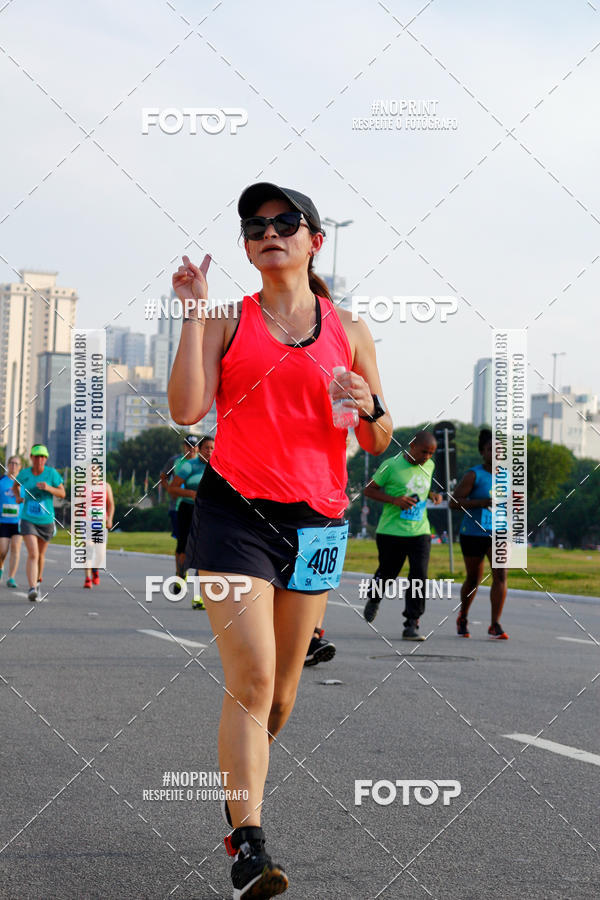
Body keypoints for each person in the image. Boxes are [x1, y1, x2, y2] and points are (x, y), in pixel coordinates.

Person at [168, 181, 392, 899]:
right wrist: (193, 315)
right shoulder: (228, 322)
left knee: (284, 695)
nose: (270, 231)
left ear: (314, 240)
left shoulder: (350, 331)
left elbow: (377, 436)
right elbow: (186, 410)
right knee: (254, 677)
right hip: (235, 518)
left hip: (319, 524)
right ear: (246, 247)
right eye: (256, 225)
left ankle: (241, 794)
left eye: (286, 222)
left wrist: (371, 405)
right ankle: (248, 843)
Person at [362, 432, 442, 640]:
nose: (427, 457)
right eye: (424, 451)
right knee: (388, 572)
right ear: (412, 445)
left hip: (420, 531)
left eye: (431, 453)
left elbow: (422, 488)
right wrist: (394, 500)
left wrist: (432, 495)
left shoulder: (430, 466)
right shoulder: (391, 464)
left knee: (419, 575)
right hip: (391, 531)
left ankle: (411, 623)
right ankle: (374, 597)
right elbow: (369, 491)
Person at [450, 428, 508, 640]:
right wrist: (480, 503)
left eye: (500, 450)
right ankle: (463, 616)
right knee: (474, 578)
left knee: (500, 575)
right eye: (491, 449)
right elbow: (453, 503)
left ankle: (495, 624)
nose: (496, 453)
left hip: (499, 532)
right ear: (482, 452)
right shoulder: (473, 475)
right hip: (473, 533)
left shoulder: (508, 476)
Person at [13, 445, 65, 602]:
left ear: (46, 459)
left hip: (46, 521)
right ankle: (32, 588)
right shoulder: (25, 474)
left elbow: (62, 493)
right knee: (33, 554)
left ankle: (37, 580)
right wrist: (18, 496)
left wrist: (49, 488)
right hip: (28, 519)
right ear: (31, 457)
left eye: (43, 456)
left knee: (41, 555)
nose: (40, 459)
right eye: (37, 456)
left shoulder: (52, 474)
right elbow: (15, 485)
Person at [168, 436, 214, 608]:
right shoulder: (189, 466)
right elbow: (173, 488)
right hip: (187, 510)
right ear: (199, 450)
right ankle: (181, 574)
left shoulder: (218, 467)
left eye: (212, 448)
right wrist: (191, 494)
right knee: (184, 549)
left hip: (208, 513)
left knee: (202, 554)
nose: (209, 452)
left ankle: (198, 597)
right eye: (206, 448)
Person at [160, 434, 201, 585]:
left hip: (198, 508)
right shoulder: (175, 461)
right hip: (177, 507)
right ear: (184, 447)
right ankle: (180, 572)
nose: (191, 449)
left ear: (198, 448)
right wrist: (170, 490)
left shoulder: (202, 463)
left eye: (194, 446)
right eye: (188, 446)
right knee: (182, 542)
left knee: (196, 542)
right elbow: (163, 477)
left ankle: (193, 572)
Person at [83, 481, 115, 588]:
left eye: (95, 469)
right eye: (90, 470)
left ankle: (95, 569)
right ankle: (87, 579)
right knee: (88, 549)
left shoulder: (106, 486)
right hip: (86, 524)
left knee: (101, 554)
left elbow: (111, 504)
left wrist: (110, 519)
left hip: (100, 524)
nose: (93, 472)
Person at [0, 456, 23, 588]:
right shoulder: (2, 481)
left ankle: (11, 578)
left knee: (16, 548)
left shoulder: (24, 483)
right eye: (12, 463)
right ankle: (1, 567)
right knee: (2, 550)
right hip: (3, 521)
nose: (14, 466)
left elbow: (29, 500)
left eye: (16, 464)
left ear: (20, 467)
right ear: (8, 465)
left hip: (18, 522)